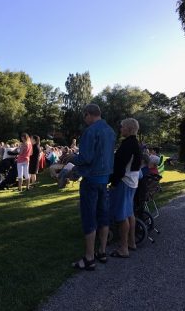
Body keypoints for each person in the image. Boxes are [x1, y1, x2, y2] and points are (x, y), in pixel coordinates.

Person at [69, 104, 115, 270]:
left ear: (88, 114)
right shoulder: (110, 131)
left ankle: (89, 258)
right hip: (105, 180)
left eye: (84, 116)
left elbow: (86, 158)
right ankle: (101, 252)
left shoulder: (90, 131)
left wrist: (72, 157)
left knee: (89, 217)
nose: (84, 120)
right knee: (103, 216)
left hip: (91, 180)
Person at [108, 118, 142, 259]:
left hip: (124, 182)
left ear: (128, 128)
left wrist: (113, 182)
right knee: (129, 213)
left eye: (122, 127)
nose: (120, 129)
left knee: (122, 216)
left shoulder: (127, 144)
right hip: (132, 182)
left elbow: (119, 168)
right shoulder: (135, 143)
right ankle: (131, 242)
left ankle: (123, 249)